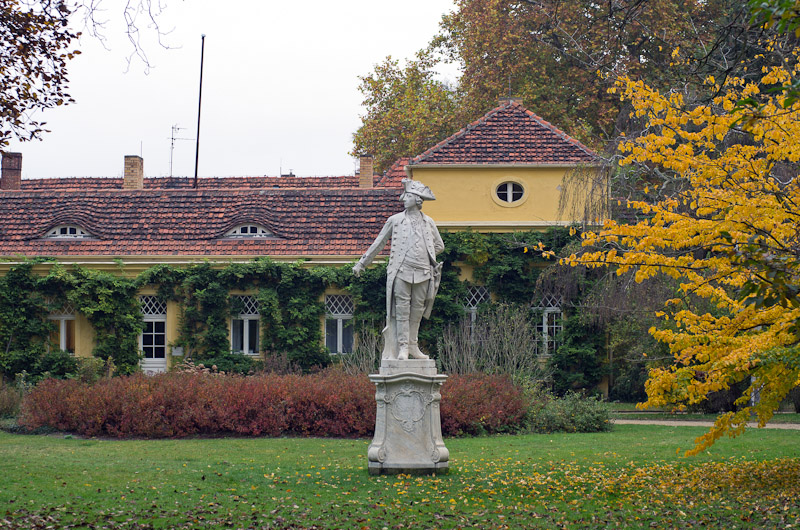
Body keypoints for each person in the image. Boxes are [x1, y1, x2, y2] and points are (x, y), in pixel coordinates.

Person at [353, 178, 444, 361]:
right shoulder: (395, 220)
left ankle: (413, 346)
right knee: (402, 310)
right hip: (401, 271)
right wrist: (362, 262)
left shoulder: (429, 222)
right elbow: (379, 243)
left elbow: (439, 245)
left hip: (424, 272)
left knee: (417, 310)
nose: (404, 199)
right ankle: (402, 348)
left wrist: (426, 252)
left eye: (408, 196)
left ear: (417, 200)